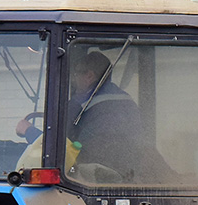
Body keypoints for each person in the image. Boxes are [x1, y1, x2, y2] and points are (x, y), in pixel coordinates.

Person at [66, 50, 167, 183]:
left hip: (90, 174)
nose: (74, 80)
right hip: (130, 171)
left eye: (76, 74)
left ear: (89, 76)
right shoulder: (128, 101)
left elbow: (56, 142)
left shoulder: (79, 103)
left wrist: (29, 130)